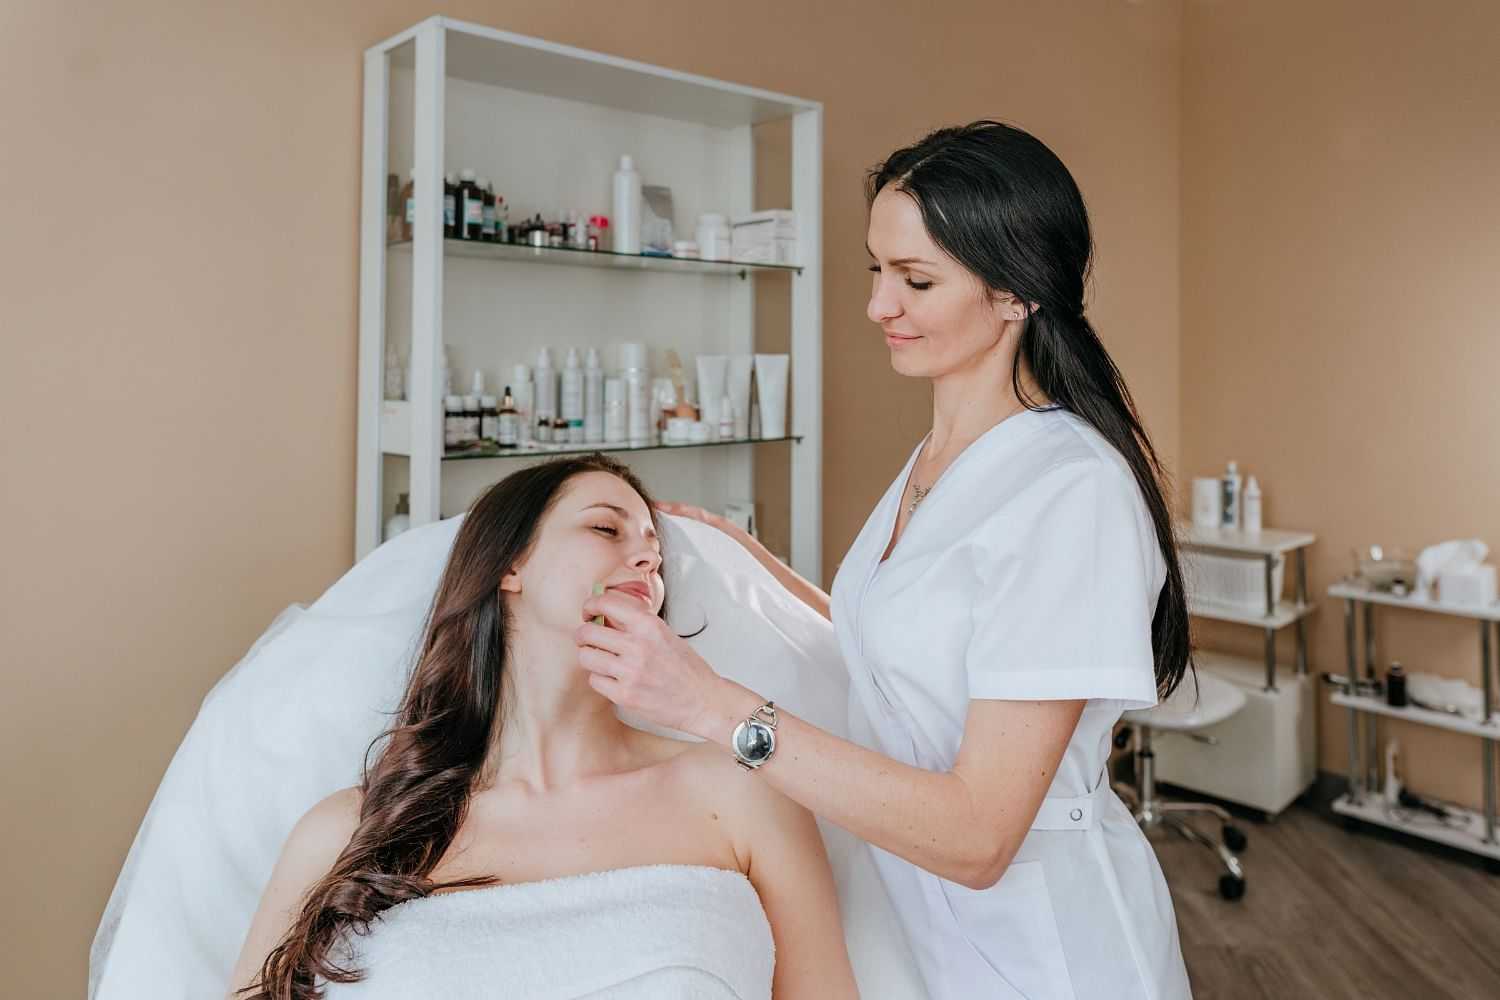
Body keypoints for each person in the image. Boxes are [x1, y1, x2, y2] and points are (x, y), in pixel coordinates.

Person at [577, 121, 1195, 999]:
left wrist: (710, 706)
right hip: (918, 930)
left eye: (916, 280)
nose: (878, 306)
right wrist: (747, 560)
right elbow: (905, 654)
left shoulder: (1070, 492)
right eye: (876, 269)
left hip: (1043, 954)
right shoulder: (939, 457)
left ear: (1016, 293)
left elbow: (979, 837)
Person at [227, 455, 857, 999]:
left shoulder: (742, 796)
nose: (646, 557)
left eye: (656, 553)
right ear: (510, 565)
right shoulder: (350, 831)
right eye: (605, 528)